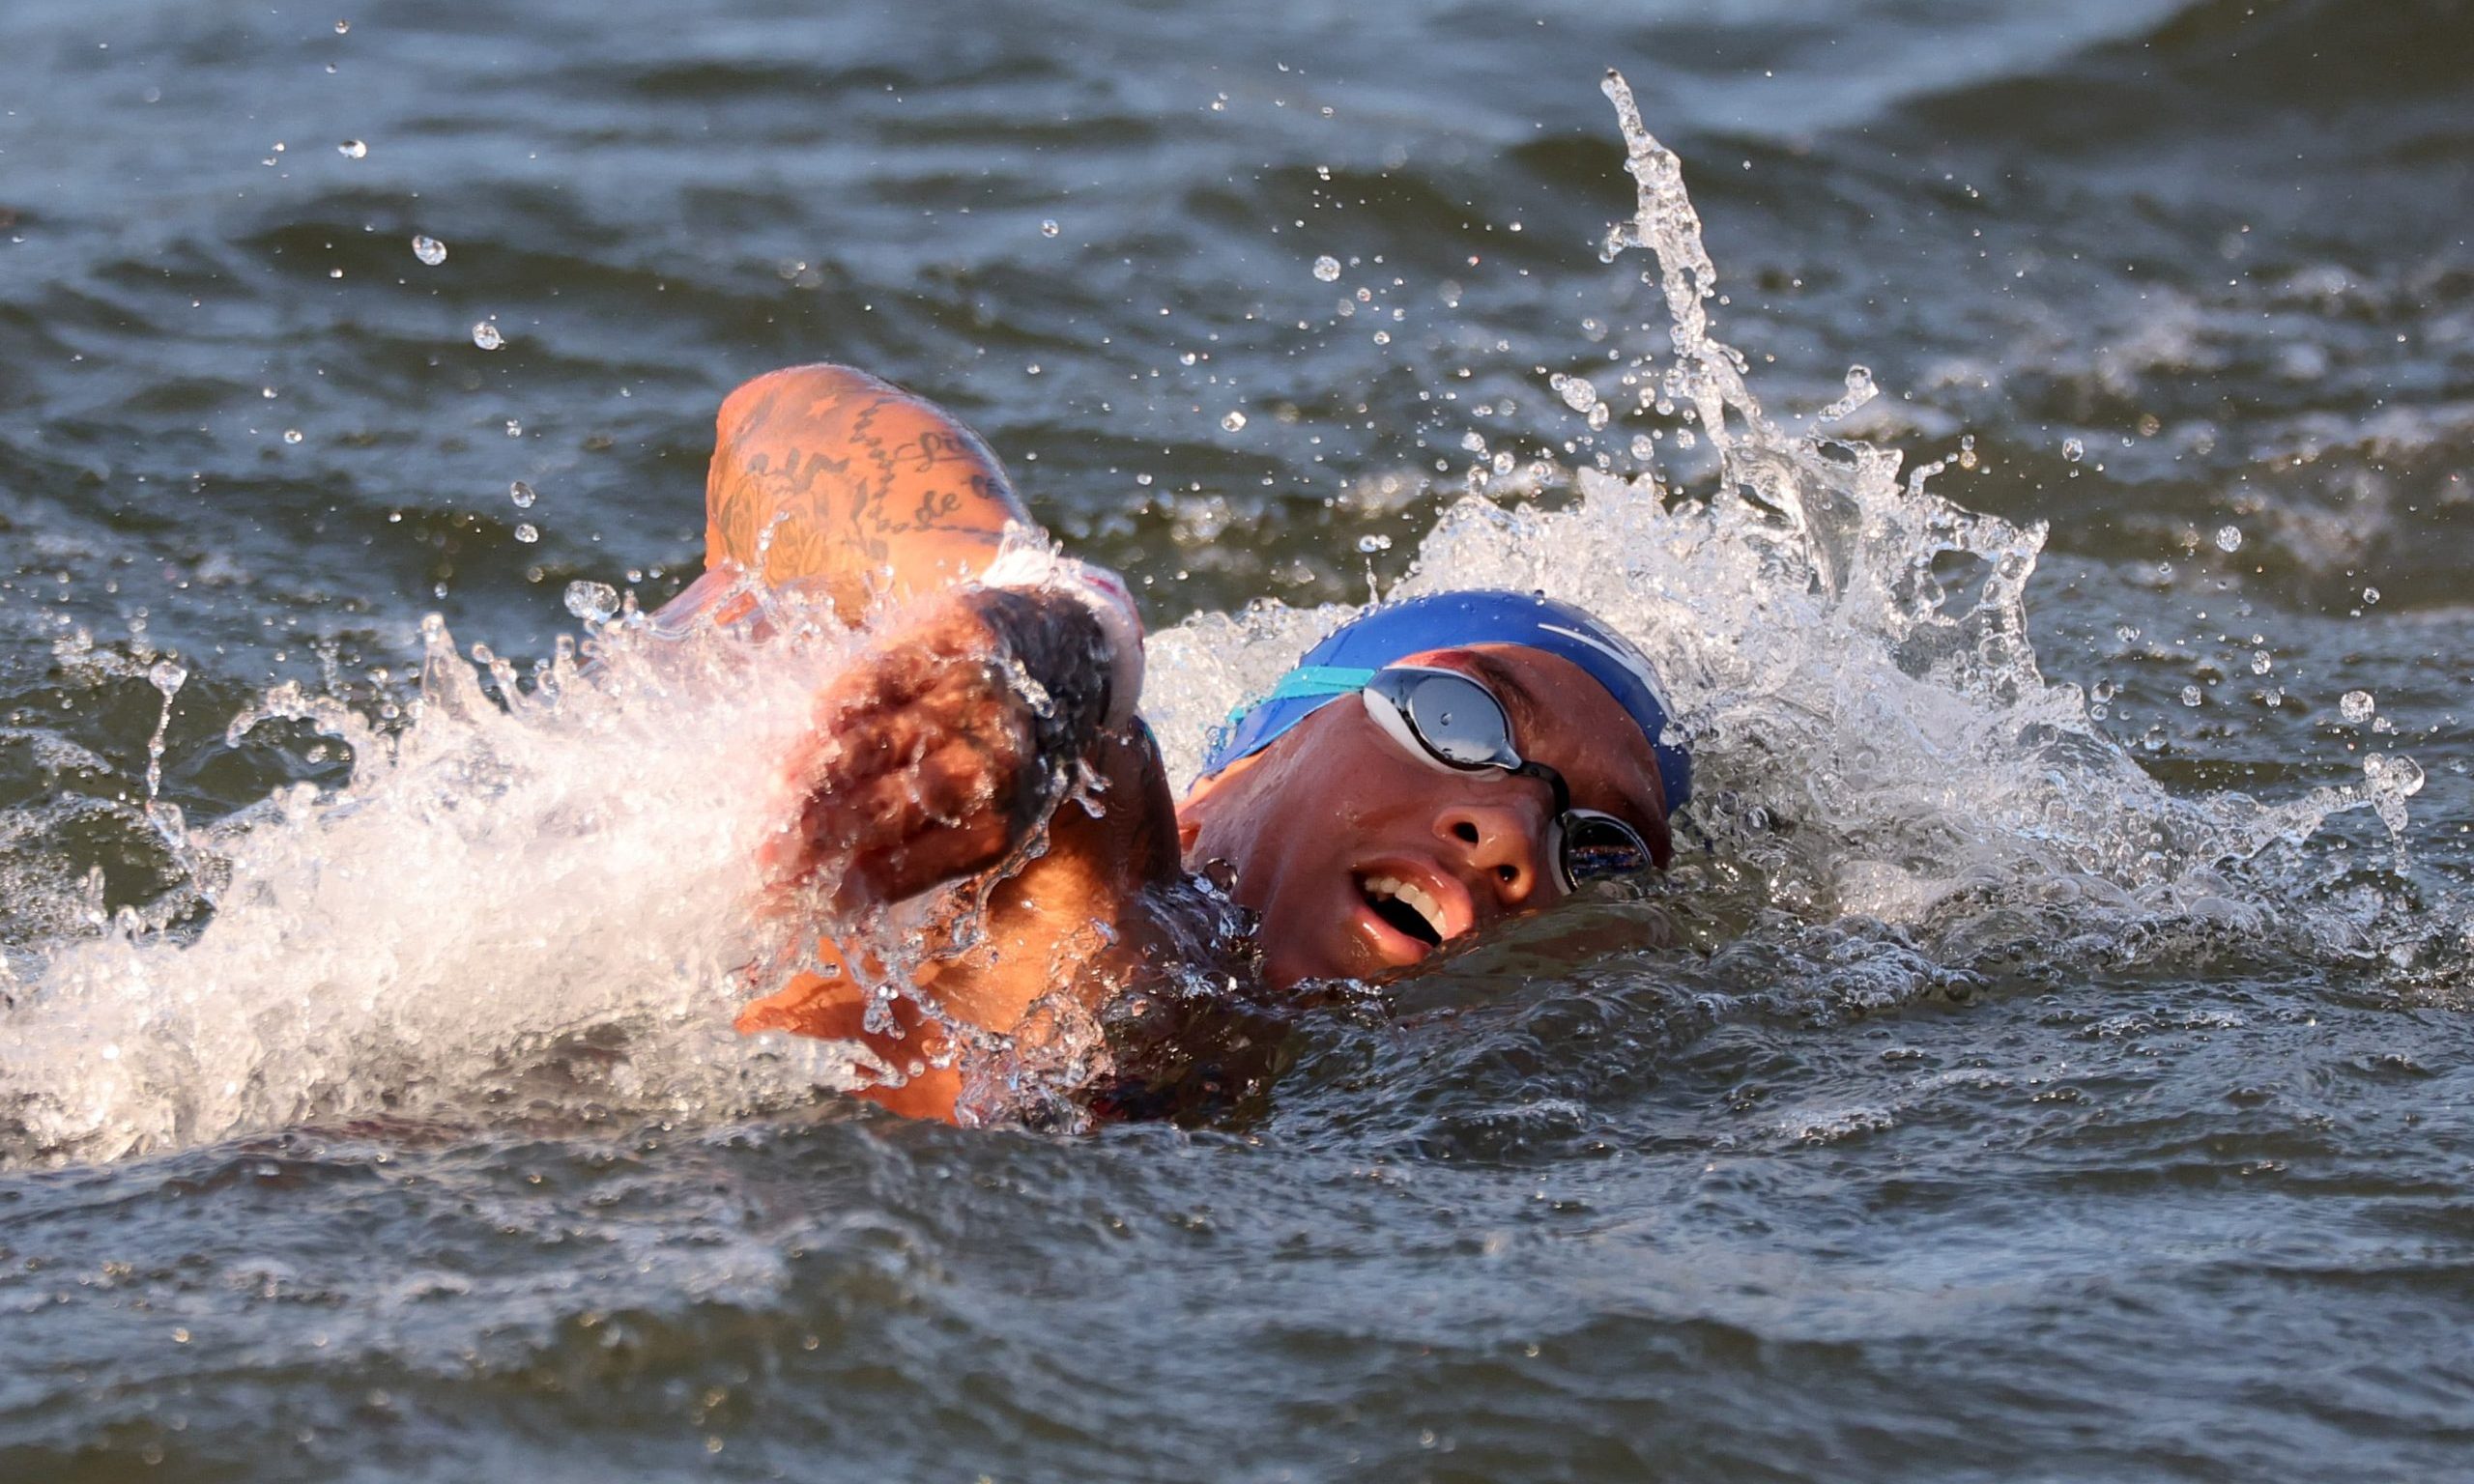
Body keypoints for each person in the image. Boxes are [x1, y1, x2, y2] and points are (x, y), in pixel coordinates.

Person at [663, 363, 1687, 1125]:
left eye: (1596, 845)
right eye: (1457, 718)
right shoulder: (1091, 843)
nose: (1511, 826)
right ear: (1258, 749)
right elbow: (774, 424)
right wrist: (1045, 639)